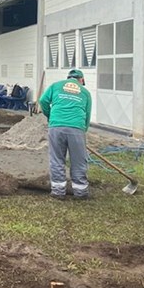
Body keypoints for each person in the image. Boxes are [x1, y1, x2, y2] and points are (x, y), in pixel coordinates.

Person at [39, 69, 92, 200]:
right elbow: (87, 114)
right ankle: (80, 192)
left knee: (57, 158)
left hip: (56, 126)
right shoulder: (85, 92)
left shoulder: (55, 86)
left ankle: (58, 191)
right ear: (81, 80)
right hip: (76, 128)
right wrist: (82, 130)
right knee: (78, 160)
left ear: (68, 78)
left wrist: (51, 116)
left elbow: (43, 101)